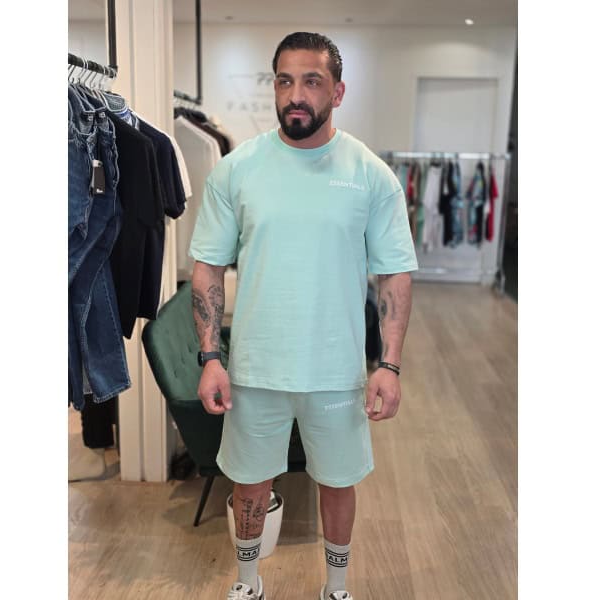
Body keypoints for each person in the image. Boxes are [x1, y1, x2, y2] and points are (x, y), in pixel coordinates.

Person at [189, 31, 418, 600]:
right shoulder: (237, 170)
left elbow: (394, 274)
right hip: (255, 369)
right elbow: (208, 267)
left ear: (337, 92)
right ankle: (248, 582)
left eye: (311, 82)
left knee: (338, 482)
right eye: (285, 81)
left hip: (336, 371)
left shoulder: (370, 175)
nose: (296, 94)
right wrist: (210, 356)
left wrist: (389, 365)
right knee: (249, 482)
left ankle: (336, 587)